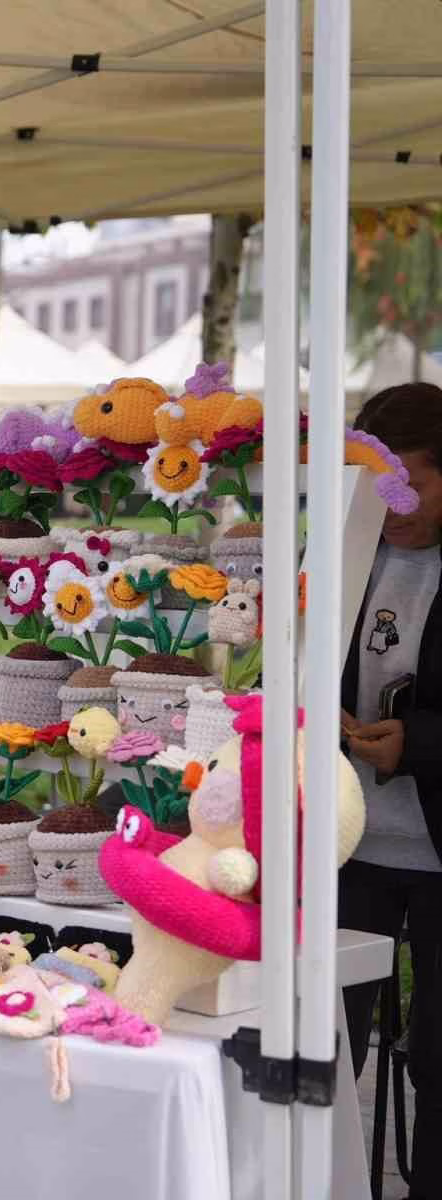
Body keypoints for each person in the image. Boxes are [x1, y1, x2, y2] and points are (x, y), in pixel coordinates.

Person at [340, 380, 442, 1200]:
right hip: (347, 847)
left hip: (438, 854)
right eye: (378, 483)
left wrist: (419, 743)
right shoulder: (343, 552)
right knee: (328, 1041)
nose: (394, 502)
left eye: (413, 482)